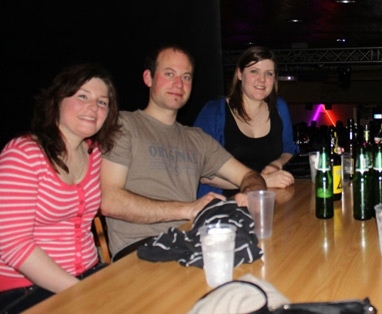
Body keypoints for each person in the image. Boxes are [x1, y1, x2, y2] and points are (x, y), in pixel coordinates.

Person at [100, 44, 267, 261]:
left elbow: (249, 176)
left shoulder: (196, 139)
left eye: (186, 77)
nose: (179, 84)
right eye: (169, 74)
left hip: (190, 243)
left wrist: (249, 195)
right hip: (140, 251)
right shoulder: (124, 125)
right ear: (148, 78)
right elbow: (110, 201)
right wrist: (187, 210)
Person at [0, 64, 121, 313]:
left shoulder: (95, 154)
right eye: (82, 96)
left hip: (87, 275)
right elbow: (12, 244)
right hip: (25, 289)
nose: (93, 107)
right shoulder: (23, 154)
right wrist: (81, 290)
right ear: (57, 101)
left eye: (102, 102)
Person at [194, 46, 296, 197]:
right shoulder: (214, 111)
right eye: (254, 71)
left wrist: (277, 164)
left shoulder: (279, 107)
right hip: (222, 201)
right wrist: (261, 181)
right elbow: (203, 173)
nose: (262, 79)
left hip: (268, 199)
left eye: (269, 73)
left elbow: (289, 148)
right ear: (240, 74)